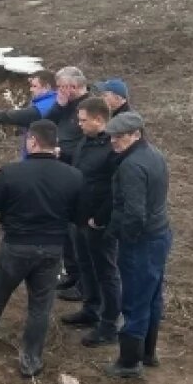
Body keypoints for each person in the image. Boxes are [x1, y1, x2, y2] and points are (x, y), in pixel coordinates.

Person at [0, 120, 83, 378]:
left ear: (32, 141)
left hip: (16, 246)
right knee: (41, 305)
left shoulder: (11, 173)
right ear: (54, 144)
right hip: (52, 248)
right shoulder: (74, 176)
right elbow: (79, 216)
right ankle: (31, 359)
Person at [0, 67, 91, 300]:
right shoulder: (61, 104)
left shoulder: (62, 107)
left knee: (74, 233)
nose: (31, 89)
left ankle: (82, 283)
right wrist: (61, 106)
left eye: (34, 86)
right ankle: (73, 276)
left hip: (61, 170)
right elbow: (52, 124)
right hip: (57, 167)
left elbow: (13, 118)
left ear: (69, 87)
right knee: (66, 231)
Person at [103, 111, 172, 378]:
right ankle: (148, 353)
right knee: (152, 296)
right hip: (160, 235)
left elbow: (134, 214)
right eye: (112, 137)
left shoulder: (131, 166)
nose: (114, 142)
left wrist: (122, 237)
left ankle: (129, 362)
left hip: (141, 242)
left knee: (134, 301)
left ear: (136, 134)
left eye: (120, 137)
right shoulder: (154, 154)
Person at [60, 97, 121, 347]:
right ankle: (90, 309)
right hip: (79, 217)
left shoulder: (113, 147)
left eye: (83, 120)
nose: (79, 124)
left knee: (106, 272)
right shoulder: (88, 139)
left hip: (99, 223)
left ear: (99, 120)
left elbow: (116, 190)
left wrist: (100, 218)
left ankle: (108, 325)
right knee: (86, 266)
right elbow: (81, 167)